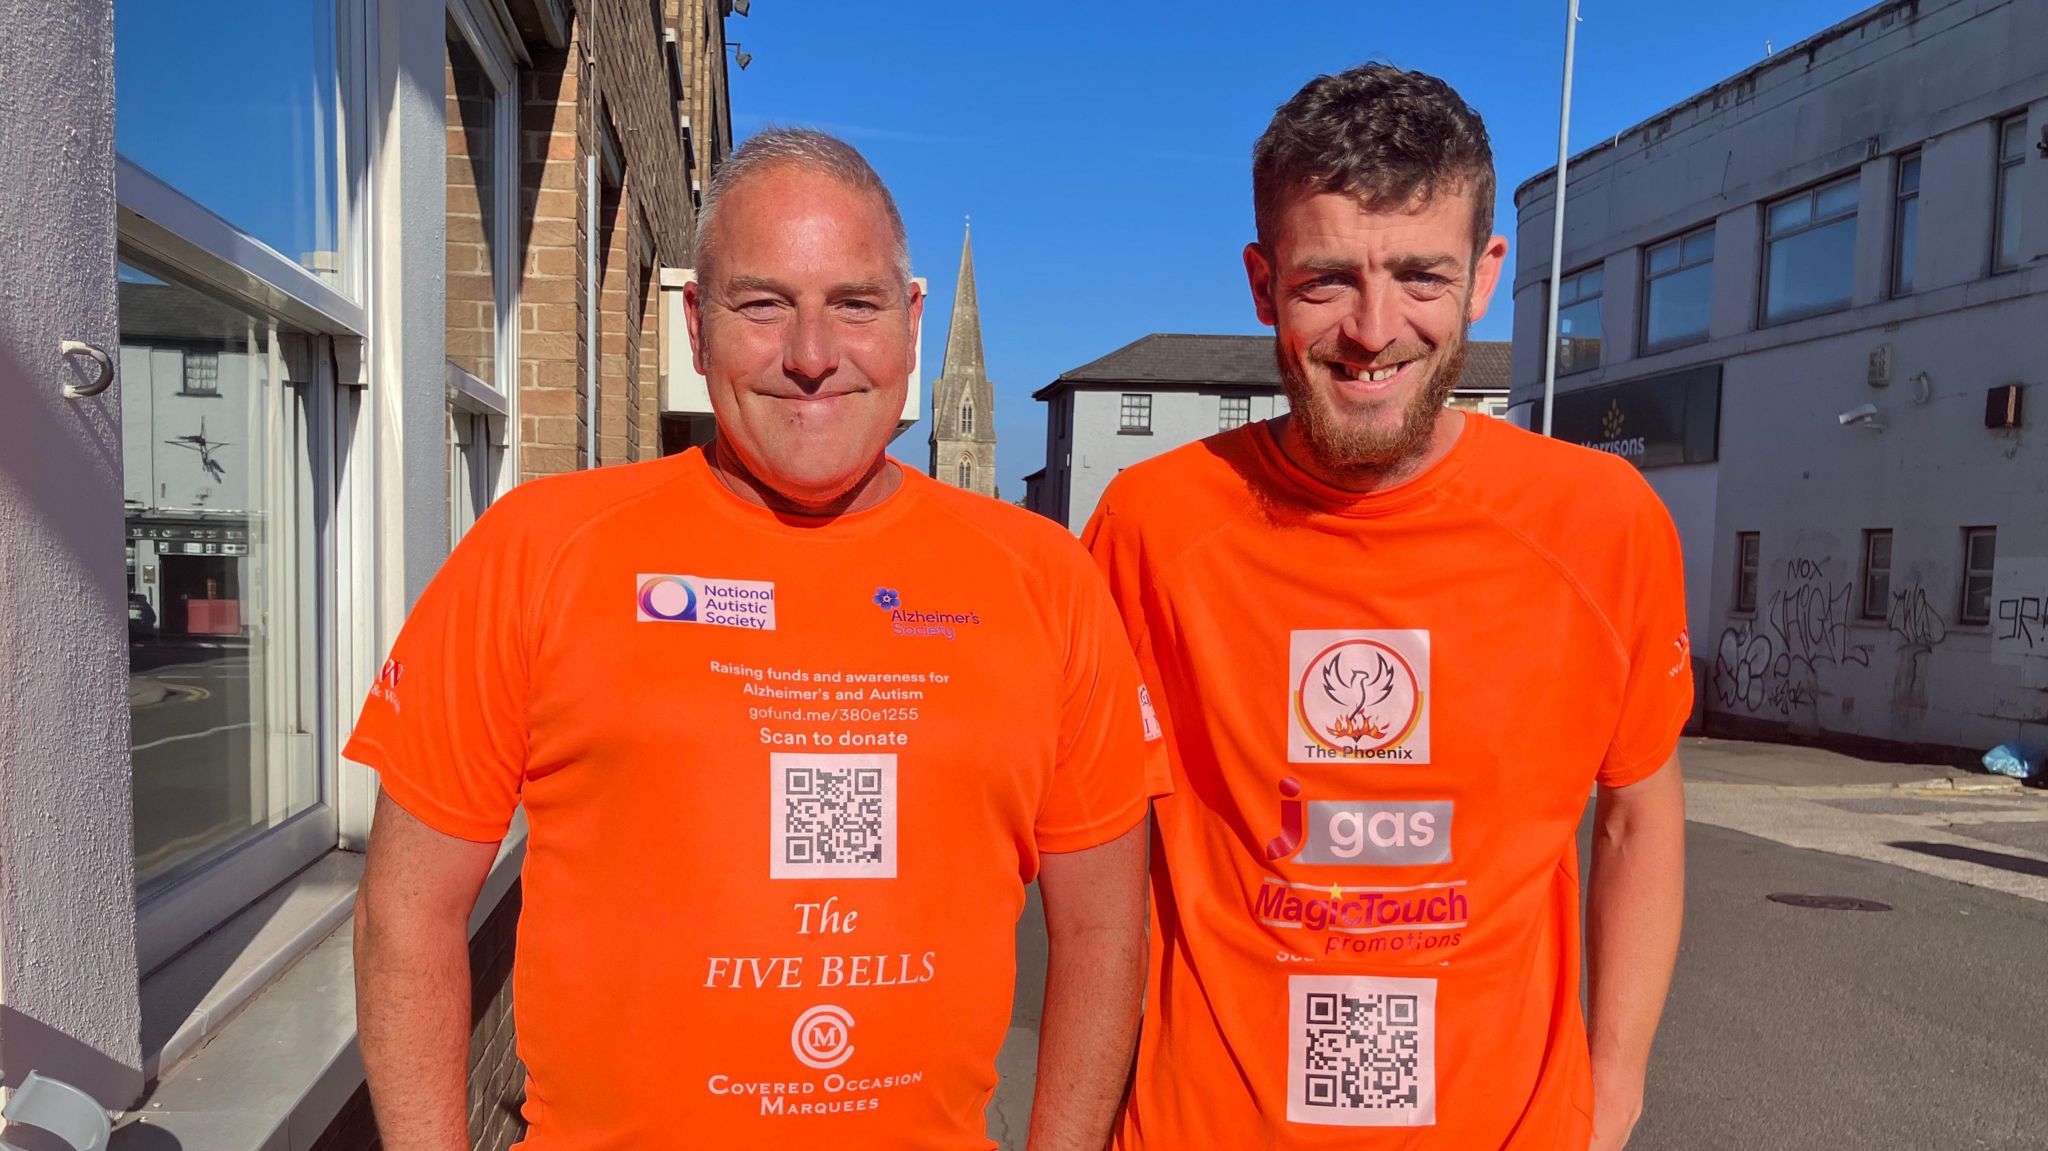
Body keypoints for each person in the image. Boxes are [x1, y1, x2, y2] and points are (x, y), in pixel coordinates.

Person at [349, 128, 1157, 1151]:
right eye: (762, 303)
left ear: (910, 326)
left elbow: (1102, 933)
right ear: (695, 323)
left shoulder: (1045, 580)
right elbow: (403, 914)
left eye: (854, 304)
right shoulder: (540, 547)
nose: (811, 354)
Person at [1087, 65, 1690, 1151]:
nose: (1373, 329)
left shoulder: (1600, 521)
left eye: (1420, 273)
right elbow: (1094, 852)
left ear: (1483, 276)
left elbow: (1637, 810)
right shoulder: (1149, 526)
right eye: (1325, 280)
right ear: (1261, 283)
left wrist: (1613, 1095)